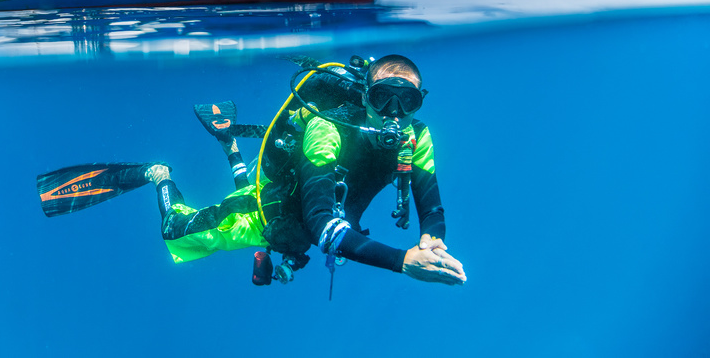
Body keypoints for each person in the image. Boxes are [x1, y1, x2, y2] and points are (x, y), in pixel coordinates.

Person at [37, 54, 466, 288]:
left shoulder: (417, 137)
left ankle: (229, 145)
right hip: (265, 215)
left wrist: (433, 238)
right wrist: (400, 260)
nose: (393, 115)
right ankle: (158, 172)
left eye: (405, 103)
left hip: (305, 215)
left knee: (278, 217)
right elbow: (319, 222)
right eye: (382, 98)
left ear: (419, 102)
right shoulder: (326, 127)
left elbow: (430, 199)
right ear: (364, 96)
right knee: (177, 230)